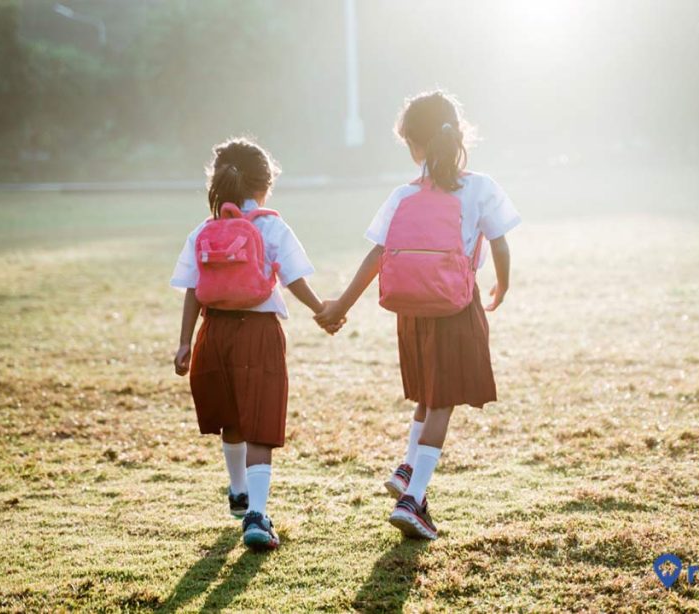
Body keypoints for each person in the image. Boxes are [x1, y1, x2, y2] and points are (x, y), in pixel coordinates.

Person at [316, 91, 521, 540]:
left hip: (411, 312)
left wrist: (339, 306)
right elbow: (501, 242)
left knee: (427, 396)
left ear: (412, 144)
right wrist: (502, 285)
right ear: (457, 135)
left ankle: (408, 469)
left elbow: (377, 255)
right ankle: (413, 498)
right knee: (442, 401)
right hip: (454, 307)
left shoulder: (402, 195)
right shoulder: (480, 187)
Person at [171, 137, 340, 551]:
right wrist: (323, 311)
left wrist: (184, 343)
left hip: (215, 333)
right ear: (264, 185)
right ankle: (258, 516)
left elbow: (193, 289)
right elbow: (294, 278)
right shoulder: (270, 225)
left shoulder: (205, 230)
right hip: (259, 333)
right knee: (260, 423)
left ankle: (237, 490)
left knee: (231, 418)